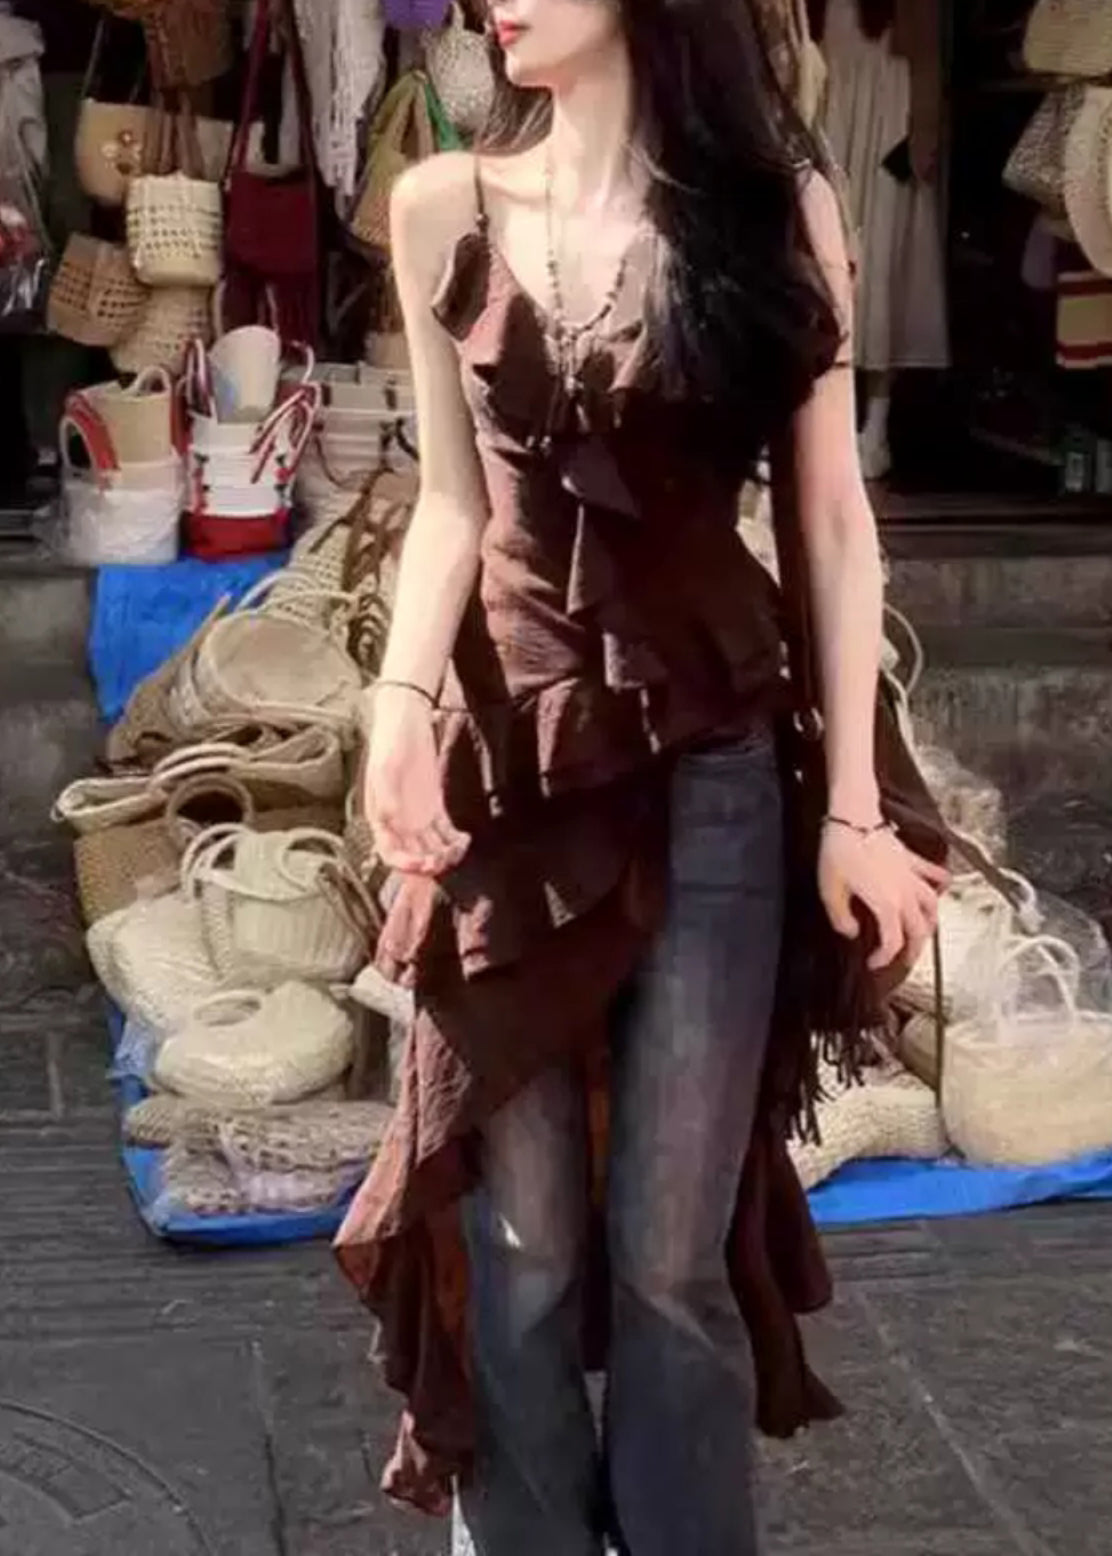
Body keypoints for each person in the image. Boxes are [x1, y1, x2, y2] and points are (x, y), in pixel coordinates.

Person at [335, 3, 948, 1553]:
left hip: (715, 765)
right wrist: (394, 710)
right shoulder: (442, 206)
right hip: (510, 775)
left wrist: (855, 811)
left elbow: (830, 522)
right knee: (525, 1242)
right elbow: (451, 504)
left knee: (670, 1251)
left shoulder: (775, 206)